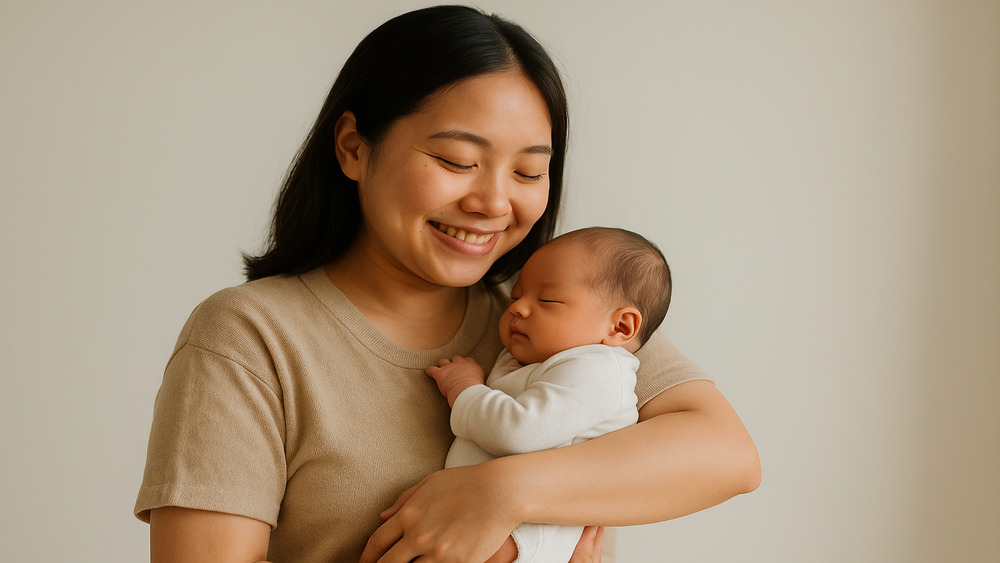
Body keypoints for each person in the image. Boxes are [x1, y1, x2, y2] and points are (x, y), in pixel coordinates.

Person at [135, 5, 760, 563]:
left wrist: (499, 492)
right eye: (457, 161)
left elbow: (727, 455)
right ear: (354, 148)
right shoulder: (251, 336)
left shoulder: (554, 319)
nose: (492, 201)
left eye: (528, 171)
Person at [426, 227, 671, 562]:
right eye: (515, 297)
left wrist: (464, 389)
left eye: (547, 300)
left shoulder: (598, 369)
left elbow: (518, 431)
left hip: (526, 534)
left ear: (620, 327)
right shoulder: (540, 358)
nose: (518, 309)